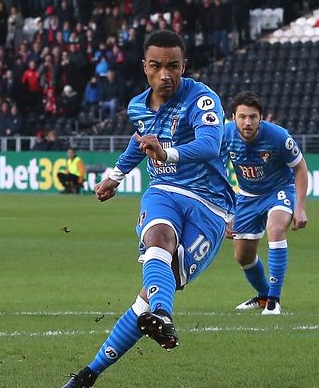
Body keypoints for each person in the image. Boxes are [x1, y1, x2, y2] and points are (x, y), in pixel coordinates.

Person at [62, 30, 234, 387]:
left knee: (146, 300)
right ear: (145, 68)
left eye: (172, 66)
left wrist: (167, 152)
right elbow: (140, 139)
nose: (165, 74)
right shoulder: (138, 106)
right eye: (156, 66)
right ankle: (159, 319)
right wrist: (116, 175)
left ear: (183, 65)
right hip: (164, 190)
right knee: (157, 237)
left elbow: (209, 144)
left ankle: (91, 372)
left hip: (210, 205)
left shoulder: (202, 99)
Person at [222, 91, 308, 315]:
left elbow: (300, 168)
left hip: (278, 191)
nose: (247, 122)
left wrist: (299, 207)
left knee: (276, 228)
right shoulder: (224, 135)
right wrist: (224, 213)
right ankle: (263, 295)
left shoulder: (279, 137)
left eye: (252, 117)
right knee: (243, 256)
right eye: (242, 117)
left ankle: (273, 301)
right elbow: (215, 172)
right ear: (233, 118)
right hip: (247, 197)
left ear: (261, 117)